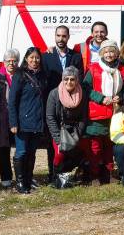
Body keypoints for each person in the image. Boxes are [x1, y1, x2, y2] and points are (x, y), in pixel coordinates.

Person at [81, 40, 124, 184]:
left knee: (109, 145)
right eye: (106, 51)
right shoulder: (94, 68)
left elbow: (123, 88)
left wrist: (119, 96)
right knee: (95, 147)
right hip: (97, 113)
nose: (109, 54)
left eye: (112, 51)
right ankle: (94, 175)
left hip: (115, 113)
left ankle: (108, 174)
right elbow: (85, 88)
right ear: (101, 53)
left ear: (116, 53)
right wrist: (101, 98)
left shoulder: (121, 69)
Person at [42, 25, 84, 183]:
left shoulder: (76, 56)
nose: (61, 39)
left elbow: (78, 78)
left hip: (73, 102)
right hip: (53, 101)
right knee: (53, 142)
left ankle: (66, 173)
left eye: (64, 36)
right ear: (55, 36)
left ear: (68, 37)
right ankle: (52, 174)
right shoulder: (47, 56)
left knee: (71, 143)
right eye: (58, 36)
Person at [8, 47, 48, 194]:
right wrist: (13, 123)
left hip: (37, 121)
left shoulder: (43, 75)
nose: (34, 60)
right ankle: (19, 182)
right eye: (31, 57)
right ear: (26, 59)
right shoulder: (20, 75)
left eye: (37, 57)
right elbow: (12, 101)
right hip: (22, 122)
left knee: (32, 152)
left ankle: (28, 179)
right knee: (21, 152)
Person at [46, 66, 88, 189]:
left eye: (72, 79)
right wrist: (58, 139)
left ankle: (73, 175)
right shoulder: (54, 94)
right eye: (66, 79)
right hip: (59, 130)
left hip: (75, 130)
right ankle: (55, 177)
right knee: (60, 154)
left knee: (80, 153)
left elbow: (83, 117)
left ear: (77, 80)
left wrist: (77, 135)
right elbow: (50, 117)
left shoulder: (82, 94)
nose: (69, 82)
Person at [0, 49, 19, 188]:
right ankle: (6, 179)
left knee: (20, 149)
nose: (11, 63)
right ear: (4, 62)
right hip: (1, 118)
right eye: (9, 61)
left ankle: (21, 176)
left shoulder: (22, 76)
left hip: (18, 118)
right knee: (3, 149)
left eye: (14, 60)